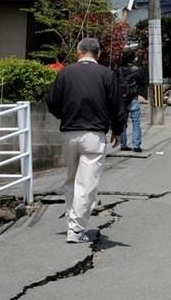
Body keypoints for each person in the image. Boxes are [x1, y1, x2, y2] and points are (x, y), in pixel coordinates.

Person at [46, 38, 125, 243]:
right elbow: (117, 106)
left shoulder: (65, 72)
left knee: (71, 180)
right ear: (98, 54)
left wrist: (65, 115)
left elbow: (52, 101)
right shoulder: (106, 74)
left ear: (79, 52)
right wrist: (117, 130)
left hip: (69, 132)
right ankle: (76, 230)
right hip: (94, 134)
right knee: (87, 183)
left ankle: (72, 222)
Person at [119, 50, 145, 152]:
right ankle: (136, 145)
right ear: (133, 58)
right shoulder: (137, 70)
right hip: (133, 98)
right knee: (136, 122)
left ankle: (123, 144)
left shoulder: (119, 70)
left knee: (123, 123)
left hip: (121, 99)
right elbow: (142, 82)